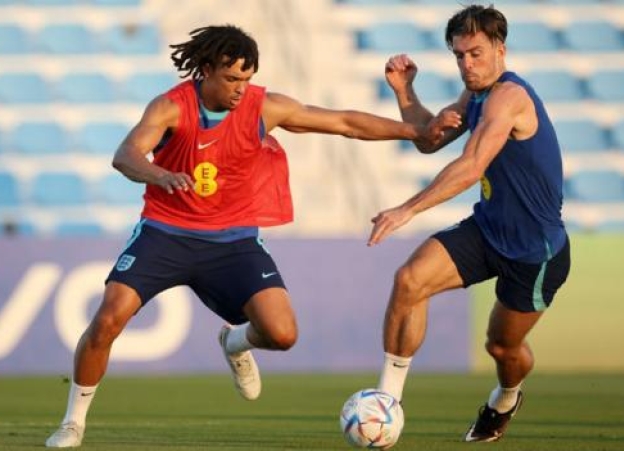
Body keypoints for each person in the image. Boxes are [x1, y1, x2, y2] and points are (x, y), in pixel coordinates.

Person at [44, 25, 453, 448]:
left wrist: (415, 132)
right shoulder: (171, 107)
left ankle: (235, 341)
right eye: (232, 78)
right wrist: (160, 174)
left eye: (247, 78)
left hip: (233, 241)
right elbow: (125, 155)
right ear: (205, 70)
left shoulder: (263, 108)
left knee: (282, 334)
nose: (241, 88)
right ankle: (73, 422)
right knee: (108, 317)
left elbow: (343, 122)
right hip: (166, 233)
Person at [367, 4, 571, 443]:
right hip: (487, 229)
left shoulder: (509, 97)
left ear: (501, 49)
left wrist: (408, 209)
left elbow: (471, 163)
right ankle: (385, 403)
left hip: (534, 252)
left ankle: (506, 397)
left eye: (475, 53)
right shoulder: (473, 96)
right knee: (409, 280)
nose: (467, 64)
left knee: (501, 347)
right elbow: (429, 138)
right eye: (459, 55)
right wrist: (404, 91)